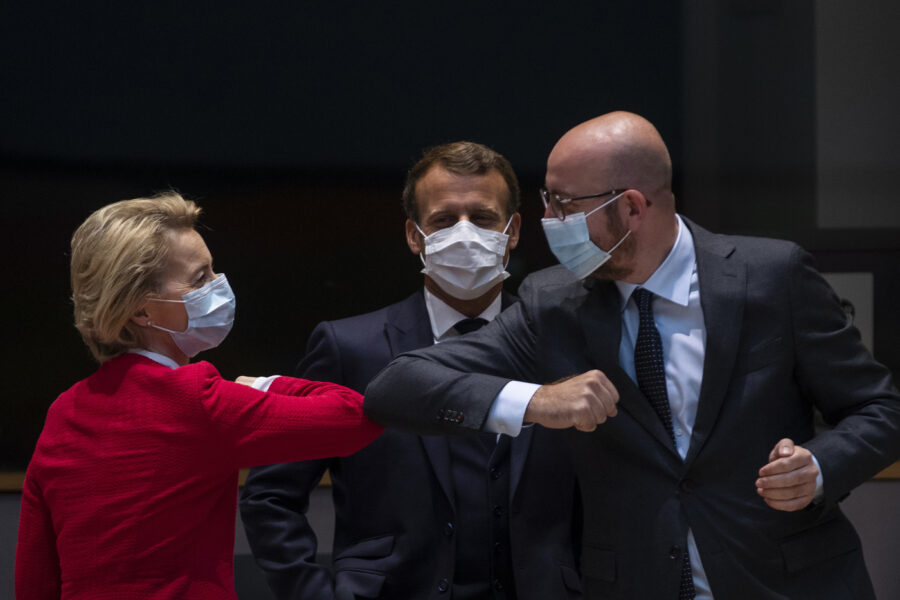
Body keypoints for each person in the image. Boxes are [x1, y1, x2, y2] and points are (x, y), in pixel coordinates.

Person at [363, 112, 900, 599]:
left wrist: (820, 467)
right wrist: (535, 400)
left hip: (789, 581)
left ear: (631, 207)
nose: (549, 220)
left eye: (564, 203)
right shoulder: (553, 303)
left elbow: (881, 410)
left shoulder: (772, 277)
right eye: (547, 199)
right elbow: (398, 387)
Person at [240, 142, 583, 599]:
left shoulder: (562, 341)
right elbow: (271, 493)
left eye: (482, 218)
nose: (464, 233)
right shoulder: (350, 348)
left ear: (513, 231)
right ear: (414, 235)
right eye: (443, 219)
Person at [15, 192, 383, 600]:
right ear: (141, 311)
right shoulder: (196, 400)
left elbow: (35, 579)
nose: (219, 286)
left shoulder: (62, 411)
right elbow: (357, 416)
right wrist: (262, 385)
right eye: (200, 278)